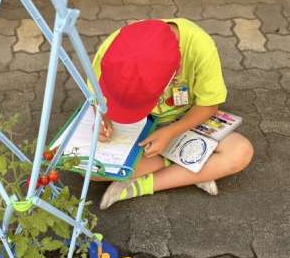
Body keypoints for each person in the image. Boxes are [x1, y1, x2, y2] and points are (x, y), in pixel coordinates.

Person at [88, 19, 254, 210]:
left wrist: (170, 132)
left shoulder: (200, 47)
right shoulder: (113, 50)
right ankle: (194, 166)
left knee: (240, 151)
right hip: (139, 128)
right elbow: (96, 97)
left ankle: (139, 185)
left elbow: (208, 105)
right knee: (92, 171)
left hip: (185, 122)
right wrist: (103, 120)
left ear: (178, 65)